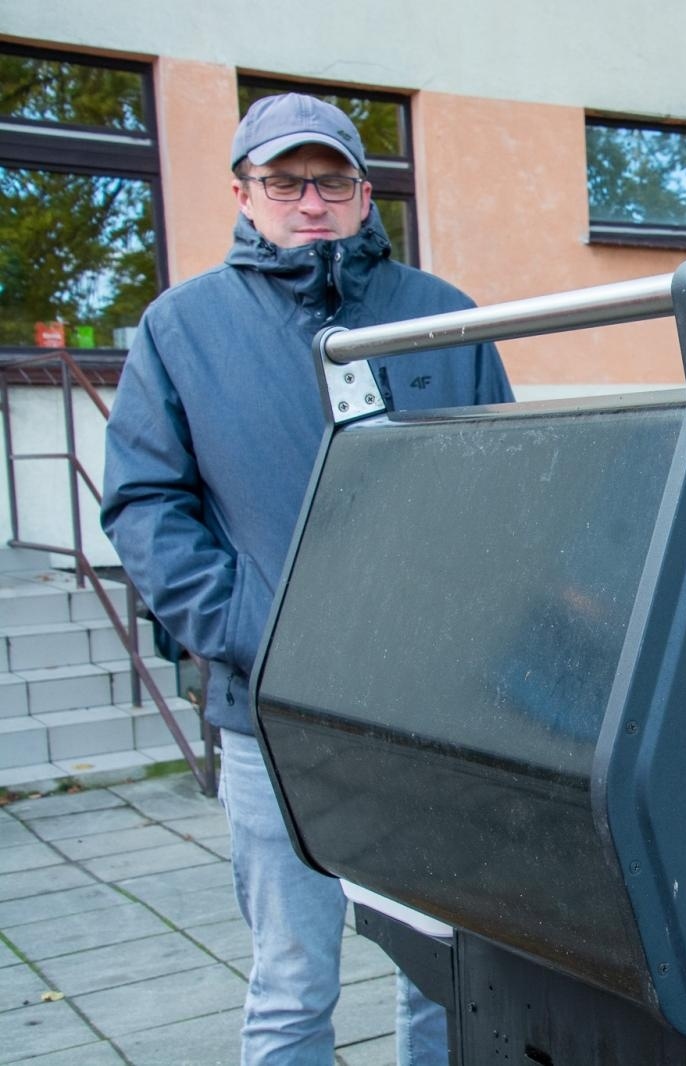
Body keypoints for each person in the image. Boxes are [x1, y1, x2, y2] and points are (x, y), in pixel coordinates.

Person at [101, 93, 513, 1063]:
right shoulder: (182, 329)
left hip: (430, 716)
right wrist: (259, 631)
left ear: (365, 194)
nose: (311, 201)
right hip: (272, 717)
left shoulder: (443, 316)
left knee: (445, 976)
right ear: (243, 195)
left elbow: (507, 490)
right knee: (292, 985)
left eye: (330, 180)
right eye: (285, 181)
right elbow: (145, 506)